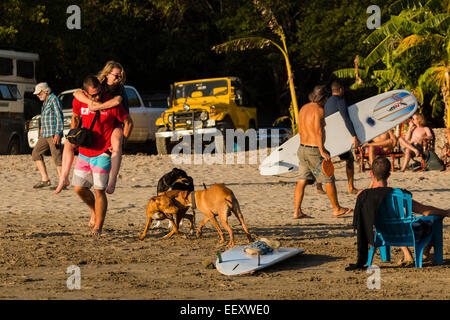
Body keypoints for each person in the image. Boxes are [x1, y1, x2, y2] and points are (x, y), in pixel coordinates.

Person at [346, 157, 449, 270]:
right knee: (432, 220)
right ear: (389, 175)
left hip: (383, 234)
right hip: (408, 235)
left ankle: (411, 254)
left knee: (398, 221)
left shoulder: (364, 196)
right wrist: (445, 212)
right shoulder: (399, 195)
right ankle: (425, 253)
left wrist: (372, 182)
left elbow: (367, 192)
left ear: (371, 173)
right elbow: (425, 211)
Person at [54, 61, 132, 194]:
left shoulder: (119, 88)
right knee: (68, 142)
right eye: (116, 75)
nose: (119, 78)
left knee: (117, 144)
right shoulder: (97, 85)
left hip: (115, 124)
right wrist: (91, 102)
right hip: (98, 125)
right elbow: (77, 94)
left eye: (121, 75)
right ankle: (63, 177)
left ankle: (112, 181)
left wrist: (97, 106)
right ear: (107, 74)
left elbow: (117, 102)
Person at [71, 75, 133, 236]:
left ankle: (98, 227)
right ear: (85, 93)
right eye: (93, 95)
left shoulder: (110, 102)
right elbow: (76, 116)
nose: (97, 97)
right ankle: (94, 211)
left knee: (99, 190)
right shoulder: (80, 100)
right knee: (79, 188)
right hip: (84, 152)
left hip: (103, 152)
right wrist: (74, 135)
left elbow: (128, 122)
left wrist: (122, 142)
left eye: (99, 93)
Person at [293, 85, 353, 219]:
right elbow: (318, 131)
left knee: (302, 180)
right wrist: (322, 150)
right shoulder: (319, 110)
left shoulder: (304, 108)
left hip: (302, 148)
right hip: (314, 150)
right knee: (329, 178)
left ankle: (297, 211)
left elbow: (303, 129)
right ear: (324, 97)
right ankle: (336, 209)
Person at [316, 81, 360, 194]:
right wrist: (354, 135)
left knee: (322, 160)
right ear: (340, 90)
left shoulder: (327, 102)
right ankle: (350, 187)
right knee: (349, 159)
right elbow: (346, 118)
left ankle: (319, 186)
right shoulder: (340, 100)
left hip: (326, 137)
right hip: (338, 138)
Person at [31, 82, 64, 189]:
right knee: (36, 153)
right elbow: (45, 116)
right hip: (45, 133)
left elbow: (59, 116)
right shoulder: (45, 102)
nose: (37, 95)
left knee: (57, 156)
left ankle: (62, 181)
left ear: (46, 91)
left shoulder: (54, 99)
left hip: (53, 133)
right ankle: (45, 179)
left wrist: (58, 133)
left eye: (39, 93)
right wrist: (41, 128)